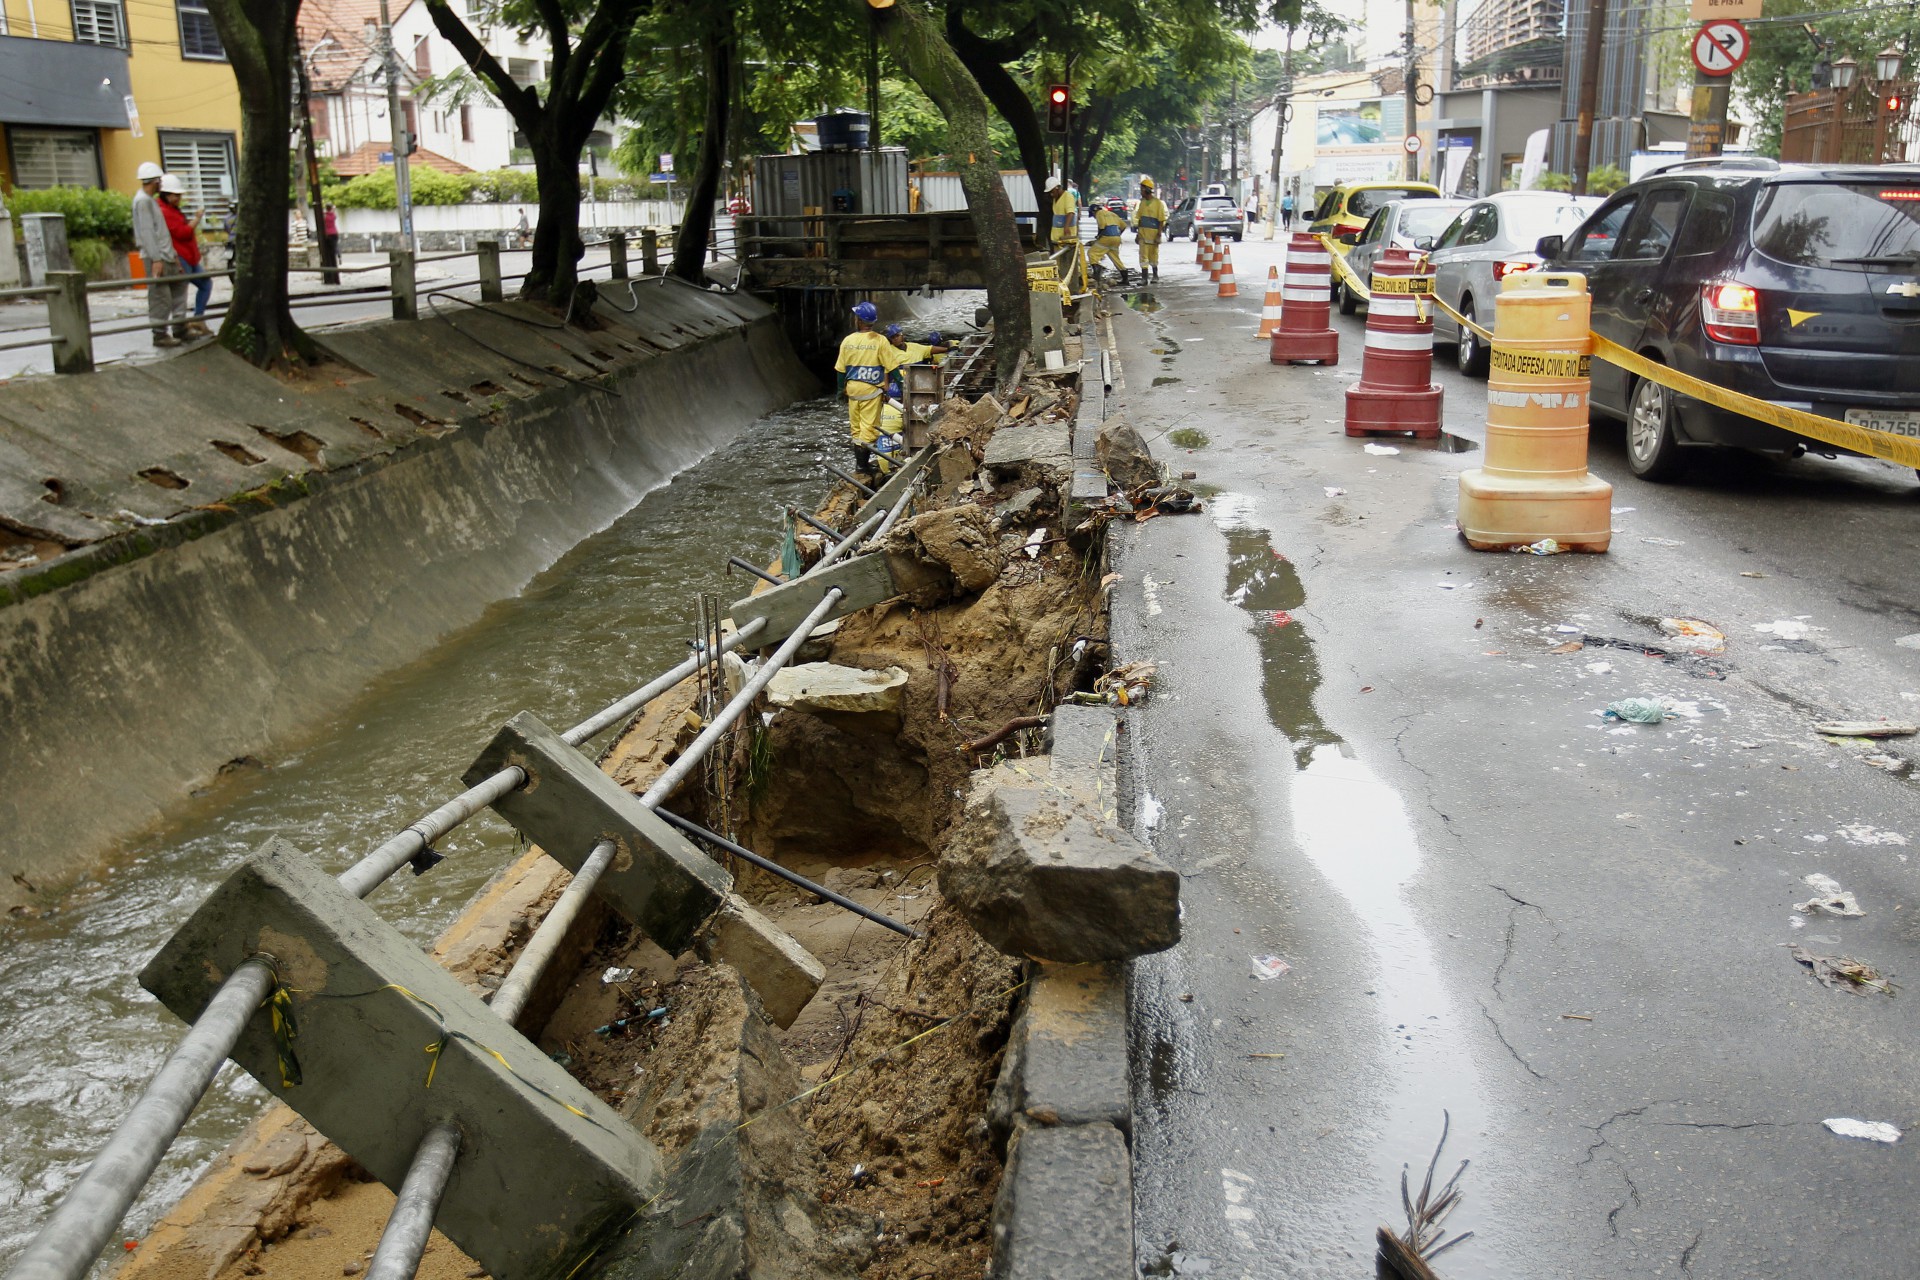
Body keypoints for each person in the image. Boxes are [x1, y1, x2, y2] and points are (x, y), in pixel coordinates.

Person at [835, 301, 908, 479]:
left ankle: (861, 465)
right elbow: (892, 369)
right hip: (871, 392)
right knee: (869, 429)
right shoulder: (880, 341)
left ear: (859, 321)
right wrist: (903, 387)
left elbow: (840, 370)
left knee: (856, 428)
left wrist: (839, 391)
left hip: (852, 391)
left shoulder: (848, 341)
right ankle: (862, 467)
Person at [132, 161, 187, 349]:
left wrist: (172, 255)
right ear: (154, 181)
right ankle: (159, 333)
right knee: (160, 295)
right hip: (158, 256)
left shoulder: (149, 201)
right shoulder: (143, 202)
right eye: (159, 180)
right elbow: (147, 232)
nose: (161, 184)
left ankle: (179, 326)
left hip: (166, 254)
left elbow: (159, 232)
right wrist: (156, 258)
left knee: (179, 285)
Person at [158, 175, 209, 338]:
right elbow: (183, 232)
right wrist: (197, 219)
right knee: (180, 293)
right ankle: (180, 326)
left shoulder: (172, 210)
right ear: (166, 194)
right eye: (176, 195)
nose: (179, 198)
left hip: (188, 255)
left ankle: (197, 318)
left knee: (205, 283)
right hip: (180, 257)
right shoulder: (165, 212)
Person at [1131, 177, 1168, 283]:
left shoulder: (1158, 203)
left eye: (1142, 189)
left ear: (1146, 190)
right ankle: (1144, 278)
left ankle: (1155, 275)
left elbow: (1161, 220)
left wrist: (1159, 235)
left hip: (1153, 234)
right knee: (1143, 257)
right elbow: (1140, 219)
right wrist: (1138, 234)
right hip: (1143, 234)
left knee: (1153, 256)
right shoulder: (1142, 202)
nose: (1141, 191)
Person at [1089, 200, 1129, 281]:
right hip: (1117, 238)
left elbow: (1102, 226)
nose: (1093, 216)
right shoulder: (1112, 214)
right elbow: (1124, 226)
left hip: (1107, 237)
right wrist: (1117, 235)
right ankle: (1125, 279)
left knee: (1092, 253)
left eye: (1092, 215)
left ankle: (1097, 272)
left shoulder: (1099, 213)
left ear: (1094, 211)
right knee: (1115, 258)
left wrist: (1098, 236)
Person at [1048, 180, 1077, 248]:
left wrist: (1066, 227)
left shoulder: (1067, 196)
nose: (1051, 194)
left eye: (1052, 191)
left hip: (1065, 237)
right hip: (1057, 237)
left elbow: (1070, 213)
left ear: (1057, 188)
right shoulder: (1056, 199)